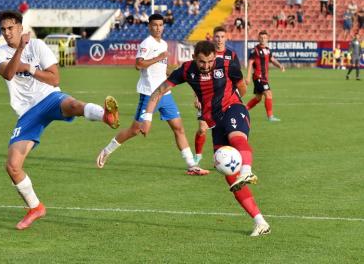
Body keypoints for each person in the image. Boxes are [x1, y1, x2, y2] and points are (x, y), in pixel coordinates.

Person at [0, 10, 120, 230]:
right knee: (12, 166)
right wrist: (20, 51)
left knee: (72, 105)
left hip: (49, 97)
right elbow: (8, 73)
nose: (7, 33)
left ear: (21, 28)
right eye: (3, 29)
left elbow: (54, 78)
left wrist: (30, 68)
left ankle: (105, 116)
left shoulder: (38, 46)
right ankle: (35, 207)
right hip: (27, 113)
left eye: (11, 28)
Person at [140, 40, 271, 237]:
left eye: (210, 61)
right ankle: (260, 222)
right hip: (215, 123)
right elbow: (159, 91)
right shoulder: (186, 70)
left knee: (236, 137)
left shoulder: (226, 64)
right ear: (194, 58)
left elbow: (241, 87)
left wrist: (233, 101)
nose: (207, 66)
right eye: (202, 62)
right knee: (229, 176)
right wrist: (147, 117)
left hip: (233, 108)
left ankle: (247, 170)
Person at [96, 13, 208, 175]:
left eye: (160, 25)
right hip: (149, 94)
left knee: (178, 128)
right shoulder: (146, 44)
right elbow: (138, 64)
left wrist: (173, 70)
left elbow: (163, 69)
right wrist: (158, 57)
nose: (158, 28)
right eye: (155, 25)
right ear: (149, 26)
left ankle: (192, 165)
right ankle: (106, 150)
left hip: (165, 94)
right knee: (135, 130)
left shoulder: (163, 43)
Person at [193, 26, 237, 164]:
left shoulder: (231, 55)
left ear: (226, 37)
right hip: (206, 98)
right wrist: (196, 96)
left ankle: (223, 158)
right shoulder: (205, 54)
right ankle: (198, 156)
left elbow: (235, 78)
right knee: (202, 128)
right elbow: (195, 77)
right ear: (213, 37)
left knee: (225, 128)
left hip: (225, 100)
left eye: (222, 36)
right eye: (217, 36)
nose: (219, 39)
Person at [245, 30, 285, 121]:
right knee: (268, 93)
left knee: (258, 98)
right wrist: (247, 77)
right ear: (258, 38)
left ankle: (244, 110)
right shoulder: (254, 50)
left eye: (265, 38)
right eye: (261, 37)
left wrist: (280, 66)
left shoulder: (267, 50)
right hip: (258, 77)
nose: (263, 39)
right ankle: (270, 116)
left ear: (268, 39)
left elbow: (272, 60)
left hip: (264, 78)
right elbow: (250, 63)